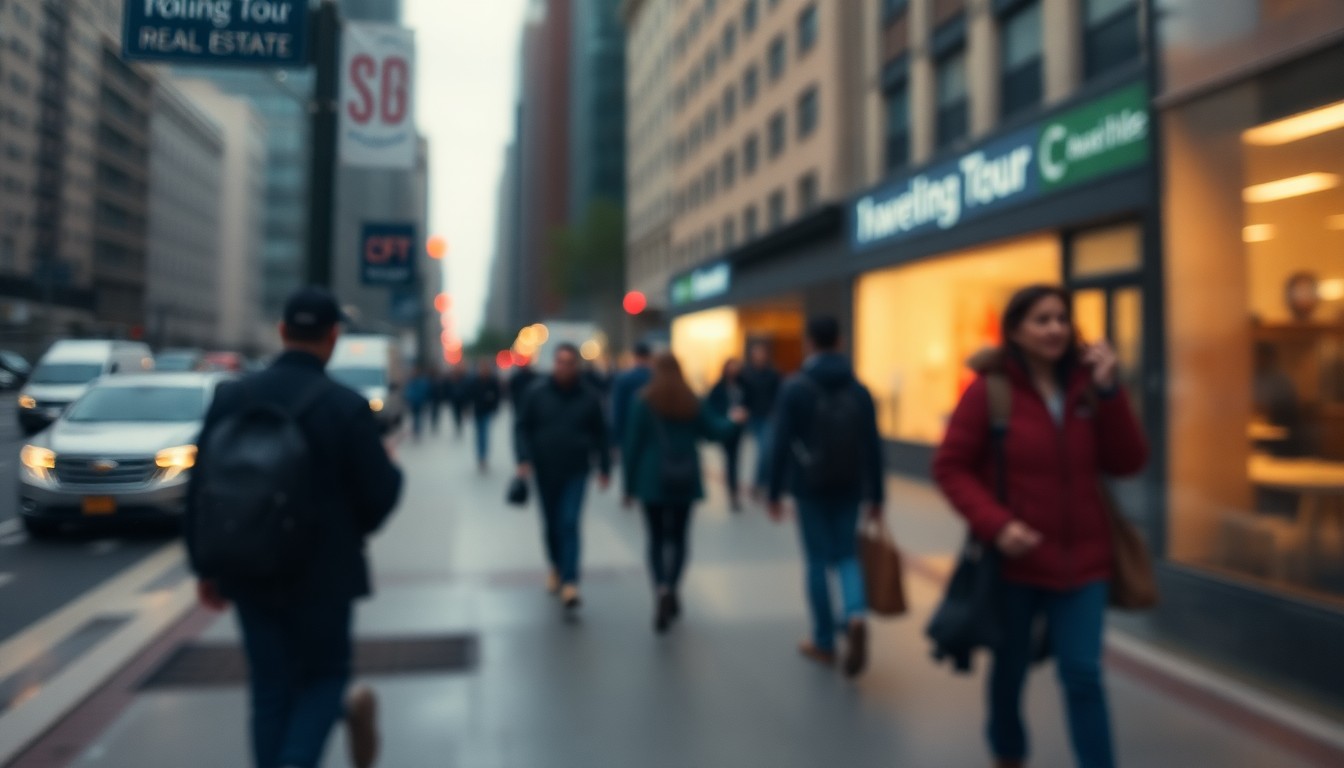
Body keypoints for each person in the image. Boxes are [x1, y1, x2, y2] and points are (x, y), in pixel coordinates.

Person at [186, 287, 403, 768]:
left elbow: (199, 488)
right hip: (325, 575)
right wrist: (350, 529)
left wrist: (205, 566)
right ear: (334, 337)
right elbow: (380, 496)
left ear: (282, 332)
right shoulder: (345, 407)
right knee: (324, 679)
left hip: (249, 568)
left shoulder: (232, 397)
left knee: (270, 689)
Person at [932, 285, 1148, 768]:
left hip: (1084, 563)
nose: (1055, 329)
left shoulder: (1089, 389)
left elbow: (1128, 461)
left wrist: (1112, 392)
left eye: (1061, 319)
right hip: (1015, 563)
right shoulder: (990, 390)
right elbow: (950, 467)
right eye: (1041, 320)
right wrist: (996, 524)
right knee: (1009, 673)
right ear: (1014, 331)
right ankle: (1009, 753)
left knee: (1082, 675)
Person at [767, 316, 884, 678]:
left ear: (809, 344)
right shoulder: (859, 389)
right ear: (841, 341)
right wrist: (877, 496)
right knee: (848, 554)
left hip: (809, 485)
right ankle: (855, 614)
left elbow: (780, 442)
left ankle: (823, 641)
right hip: (850, 485)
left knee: (817, 559)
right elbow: (873, 446)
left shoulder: (796, 388)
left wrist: (774, 491)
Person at [622, 353, 745, 632]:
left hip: (651, 480)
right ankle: (673, 585)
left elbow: (633, 445)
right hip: (685, 479)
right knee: (678, 537)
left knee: (655, 538)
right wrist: (735, 420)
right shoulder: (691, 400)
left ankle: (661, 588)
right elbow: (715, 432)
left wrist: (628, 487)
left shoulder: (643, 401)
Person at [514, 343, 612, 612]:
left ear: (576, 366)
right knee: (551, 525)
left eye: (569, 362)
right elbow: (522, 427)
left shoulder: (589, 397)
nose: (564, 367)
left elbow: (601, 434)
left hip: (577, 470)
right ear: (553, 363)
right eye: (559, 361)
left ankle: (570, 581)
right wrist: (523, 458)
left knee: (569, 522)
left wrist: (605, 468)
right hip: (545, 470)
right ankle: (556, 566)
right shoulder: (537, 394)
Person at [742, 340, 783, 499]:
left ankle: (761, 483)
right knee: (763, 451)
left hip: (767, 416)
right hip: (753, 416)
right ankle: (761, 483)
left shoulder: (773, 374)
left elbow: (779, 394)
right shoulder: (747, 374)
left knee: (765, 450)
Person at [707, 358, 747, 511]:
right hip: (725, 426)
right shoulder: (718, 387)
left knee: (734, 459)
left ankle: (733, 491)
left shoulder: (743, 385)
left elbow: (750, 399)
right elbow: (711, 406)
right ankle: (733, 490)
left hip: (739, 427)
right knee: (731, 458)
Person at [610, 343, 654, 450]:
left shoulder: (624, 379)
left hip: (628, 432)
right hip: (653, 433)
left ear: (635, 357)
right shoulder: (655, 378)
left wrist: (616, 439)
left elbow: (618, 410)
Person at [469, 360, 504, 472]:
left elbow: (497, 395)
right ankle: (480, 455)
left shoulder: (492, 381)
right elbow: (470, 395)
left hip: (487, 410)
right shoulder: (474, 381)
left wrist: (495, 408)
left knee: (484, 433)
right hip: (477, 410)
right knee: (479, 434)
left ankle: (483, 456)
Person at [405, 367, 433, 441]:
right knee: (416, 416)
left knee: (417, 416)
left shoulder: (420, 382)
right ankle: (416, 429)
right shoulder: (414, 382)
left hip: (419, 402)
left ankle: (417, 429)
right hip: (415, 402)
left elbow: (425, 391)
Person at [448, 366, 468, 440]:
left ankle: (459, 426)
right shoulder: (451, 380)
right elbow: (448, 390)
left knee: (459, 415)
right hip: (454, 401)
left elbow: (466, 391)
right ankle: (457, 426)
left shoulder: (464, 380)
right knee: (456, 415)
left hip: (461, 400)